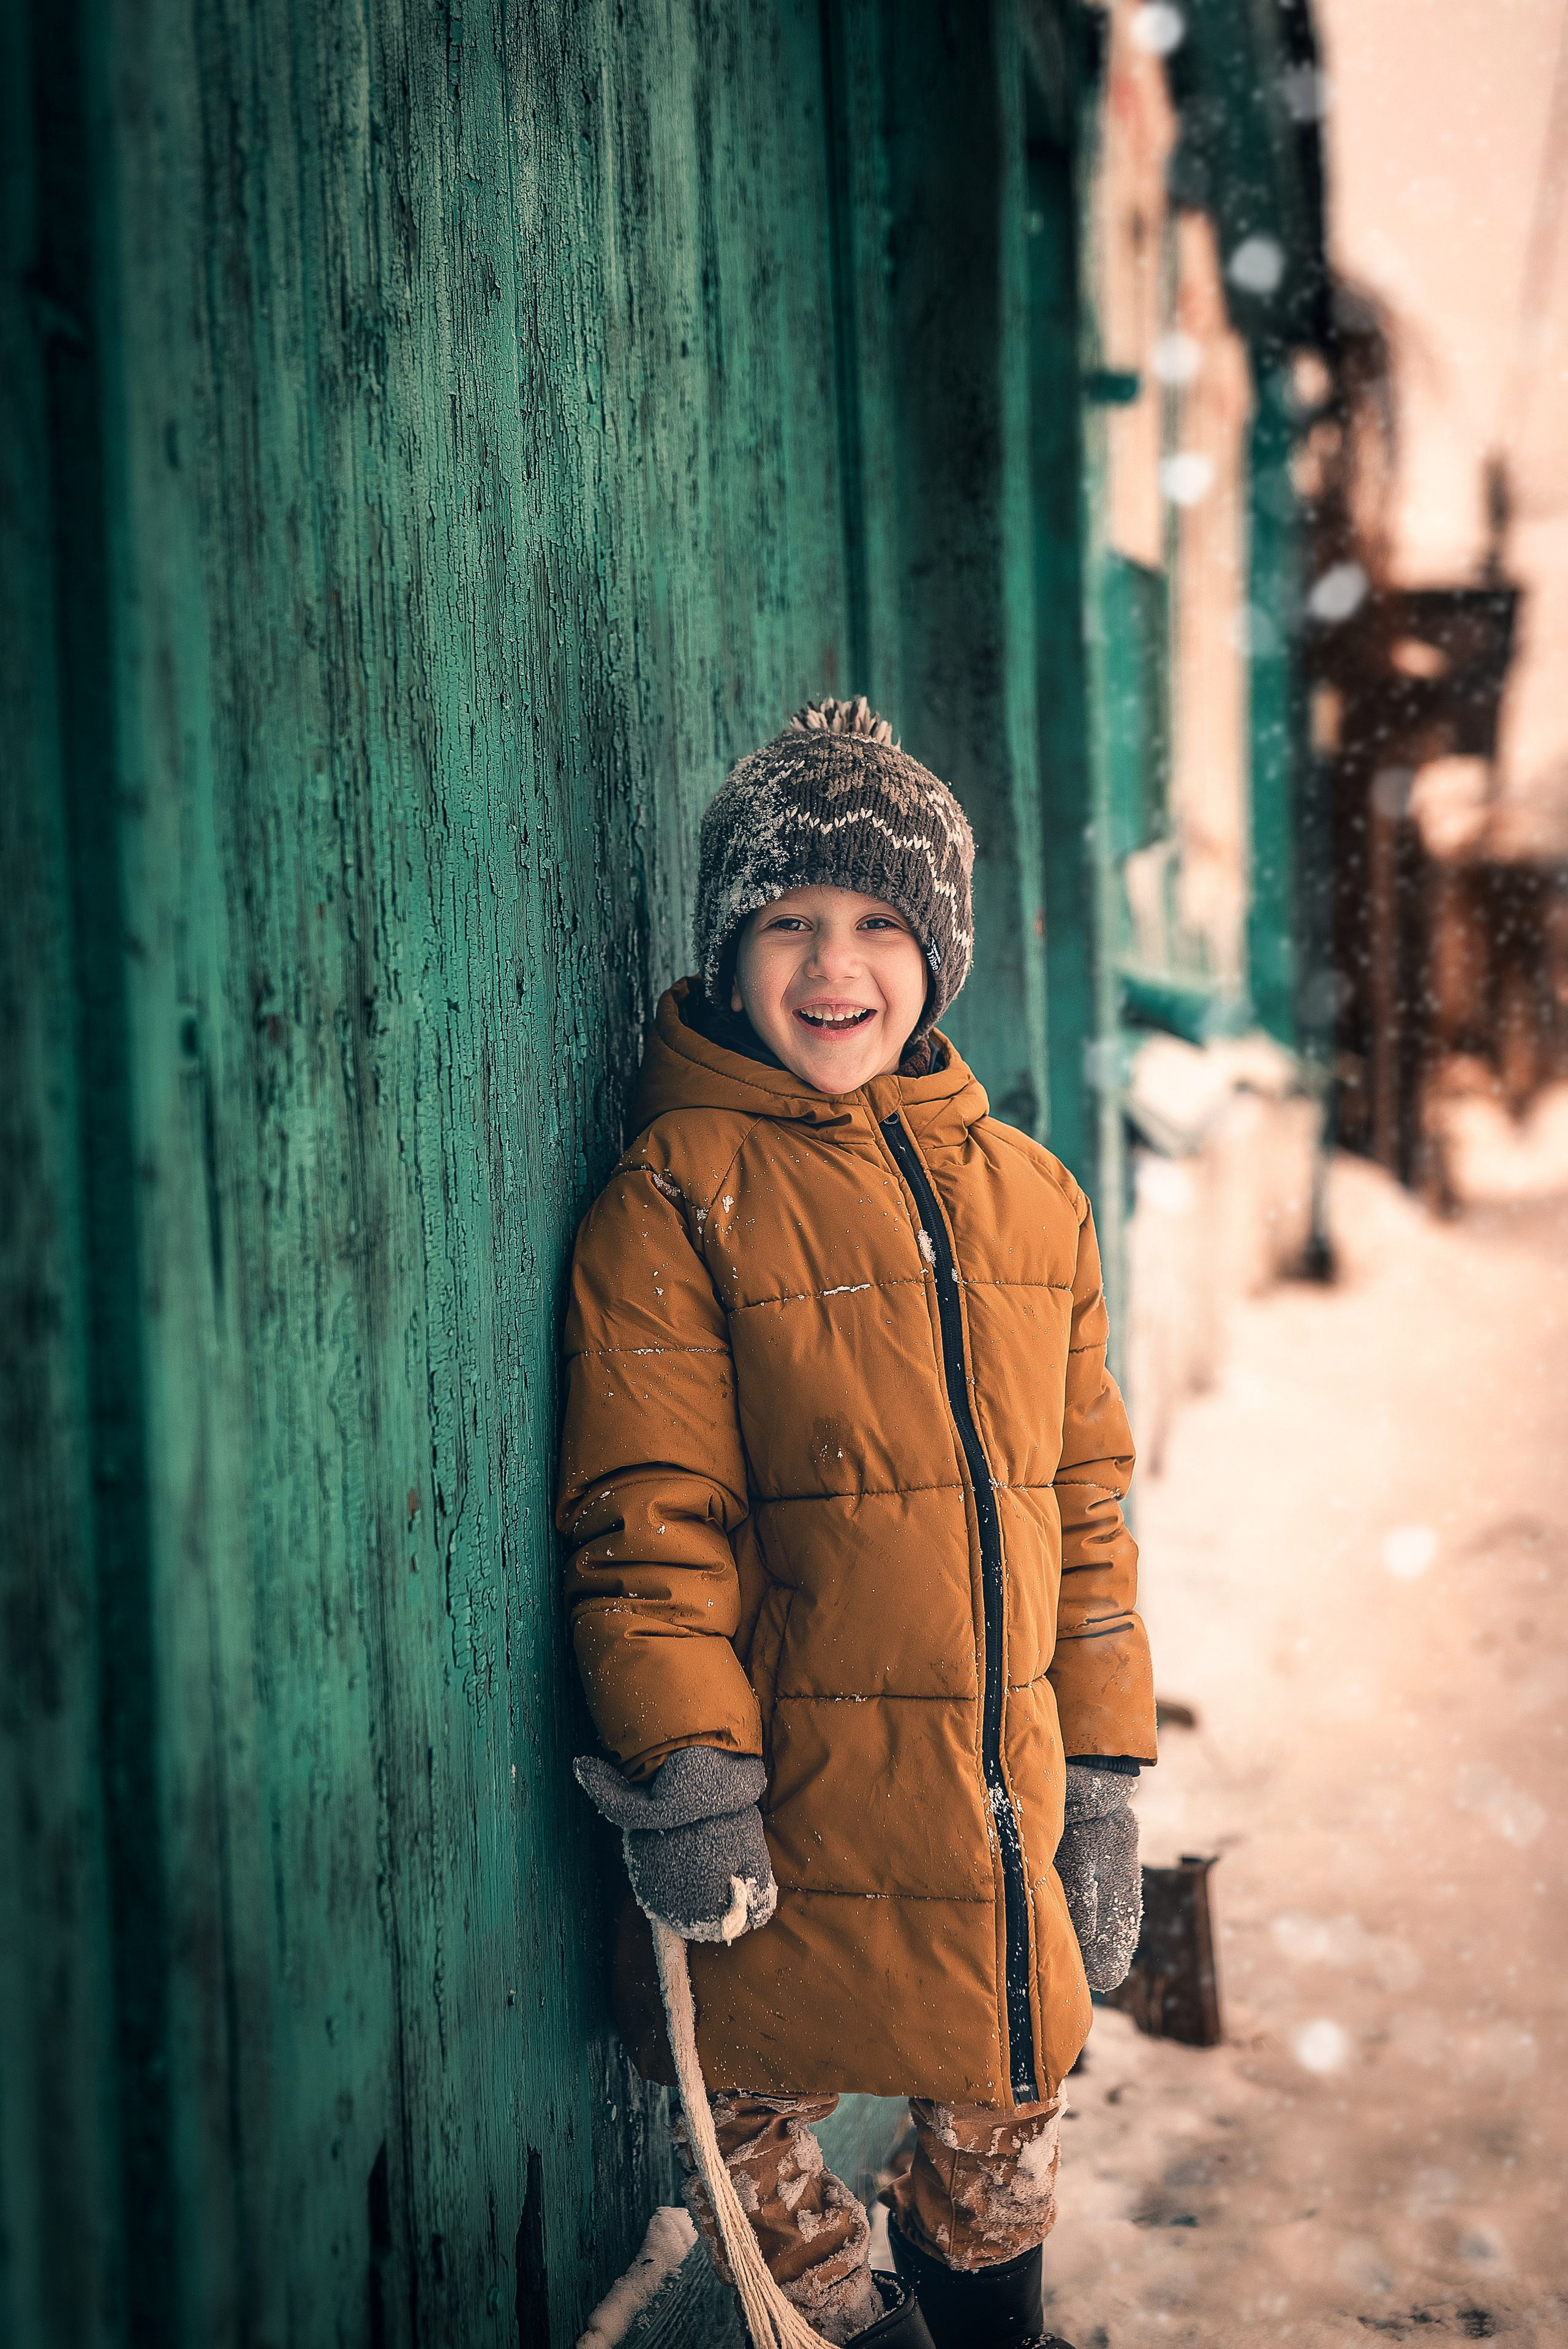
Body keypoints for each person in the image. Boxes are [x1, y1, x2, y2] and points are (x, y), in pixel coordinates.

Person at [559, 698, 1156, 2348]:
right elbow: (650, 1519)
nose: (837, 965)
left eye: (882, 921)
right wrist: (691, 1773)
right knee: (756, 2133)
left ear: (937, 954)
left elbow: (1088, 1514)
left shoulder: (1034, 1201)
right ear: (730, 950)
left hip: (994, 1794)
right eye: (790, 922)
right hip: (795, 1798)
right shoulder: (678, 1193)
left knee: (1006, 2113)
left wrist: (1105, 1775)